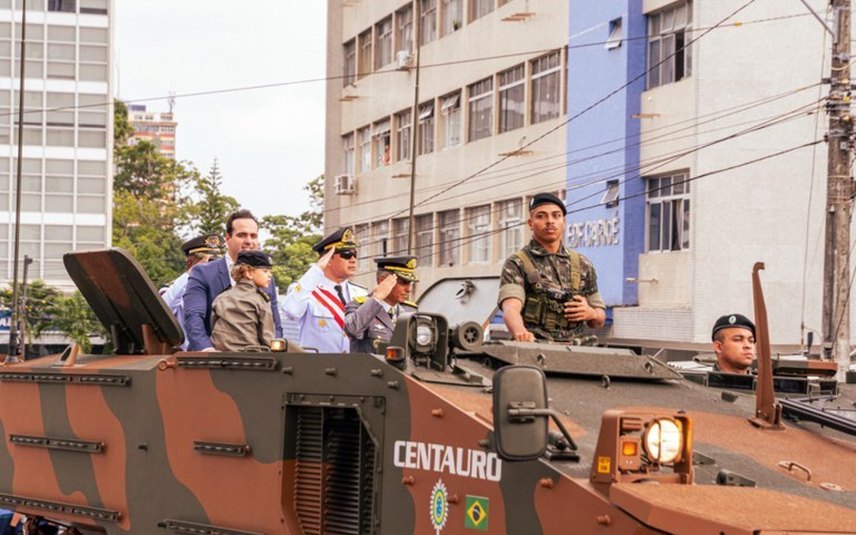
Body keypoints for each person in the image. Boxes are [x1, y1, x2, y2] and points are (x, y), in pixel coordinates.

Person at [497, 192, 606, 343]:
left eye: (556, 216)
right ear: (531, 223)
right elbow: (511, 309)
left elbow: (599, 319)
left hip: (577, 350)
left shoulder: (583, 265)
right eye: (541, 216)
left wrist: (590, 313)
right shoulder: (517, 263)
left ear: (564, 221)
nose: (550, 221)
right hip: (535, 346)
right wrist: (521, 332)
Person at [183, 209, 283, 351]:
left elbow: (274, 323)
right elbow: (193, 317)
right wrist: (207, 350)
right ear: (228, 238)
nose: (249, 241)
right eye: (242, 235)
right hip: (211, 362)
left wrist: (274, 352)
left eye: (253, 236)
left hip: (259, 363)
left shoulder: (265, 278)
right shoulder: (203, 273)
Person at [280, 227, 367, 352]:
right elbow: (291, 310)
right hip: (318, 368)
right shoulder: (307, 291)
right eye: (346, 255)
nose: (353, 260)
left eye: (355, 254)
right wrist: (317, 269)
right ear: (328, 259)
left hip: (353, 367)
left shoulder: (361, 294)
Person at [161, 234, 224, 350]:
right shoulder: (176, 288)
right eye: (208, 262)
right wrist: (192, 274)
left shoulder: (223, 286)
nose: (212, 267)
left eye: (215, 262)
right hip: (187, 356)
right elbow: (162, 310)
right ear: (189, 263)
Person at [344, 256, 419, 354]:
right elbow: (352, 329)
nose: (408, 289)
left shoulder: (410, 310)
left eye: (410, 283)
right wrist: (377, 298)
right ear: (382, 280)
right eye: (403, 282)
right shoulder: (360, 307)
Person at [210, 251, 276, 352]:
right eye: (265, 271)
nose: (270, 275)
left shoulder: (221, 297)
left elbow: (213, 324)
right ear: (248, 272)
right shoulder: (259, 300)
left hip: (220, 356)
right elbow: (267, 337)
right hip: (250, 357)